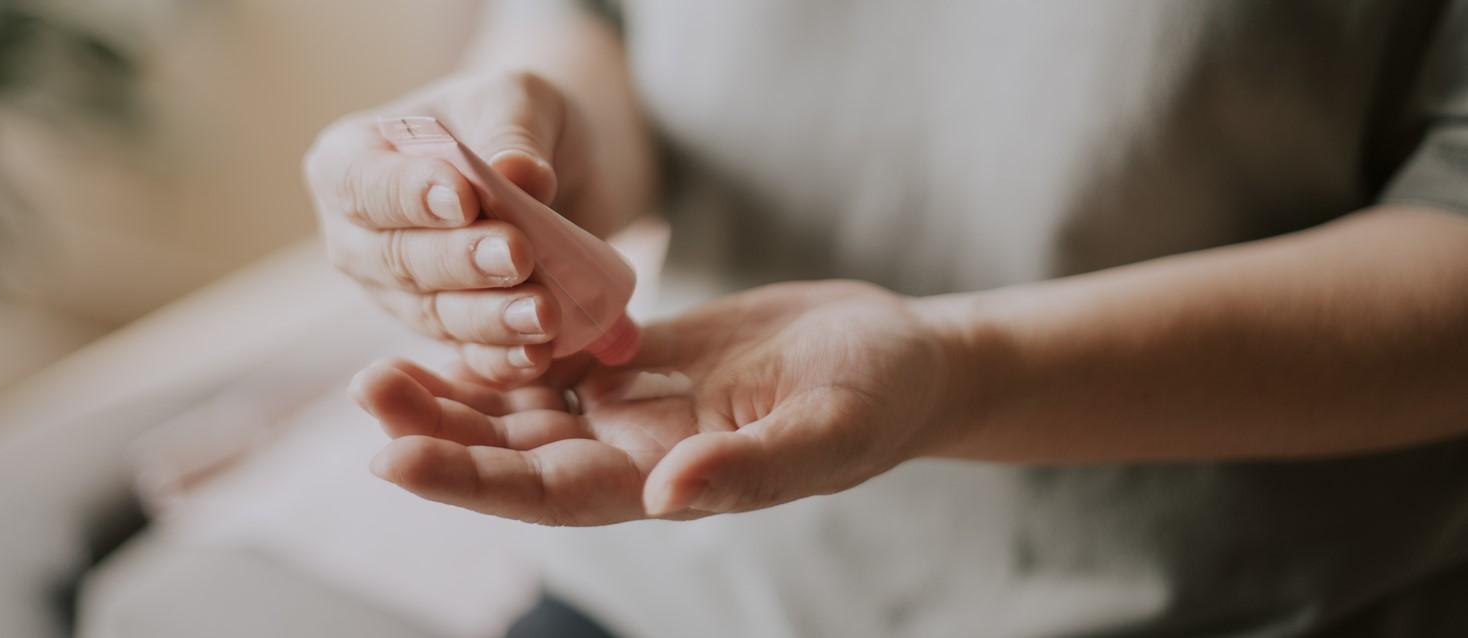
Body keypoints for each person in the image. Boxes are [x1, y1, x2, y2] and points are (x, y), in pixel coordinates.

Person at [304, 1, 1468, 635]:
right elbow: (594, 17)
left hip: (1212, 602)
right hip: (679, 577)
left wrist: (963, 366)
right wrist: (519, 147)